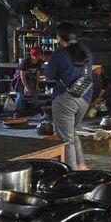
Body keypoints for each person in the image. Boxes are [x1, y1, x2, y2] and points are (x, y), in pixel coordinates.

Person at [44, 23, 93, 171]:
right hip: (85, 98)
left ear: (59, 38)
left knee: (66, 140)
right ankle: (81, 166)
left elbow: (48, 76)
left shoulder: (59, 54)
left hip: (66, 100)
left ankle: (72, 173)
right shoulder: (86, 50)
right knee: (72, 133)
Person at [12, 46, 43, 117]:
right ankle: (16, 111)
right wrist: (26, 87)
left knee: (35, 92)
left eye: (40, 55)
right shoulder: (26, 61)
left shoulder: (39, 62)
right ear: (33, 55)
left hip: (30, 77)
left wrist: (37, 85)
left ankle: (37, 109)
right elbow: (22, 75)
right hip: (20, 79)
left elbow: (38, 73)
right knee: (21, 94)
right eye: (38, 55)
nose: (39, 57)